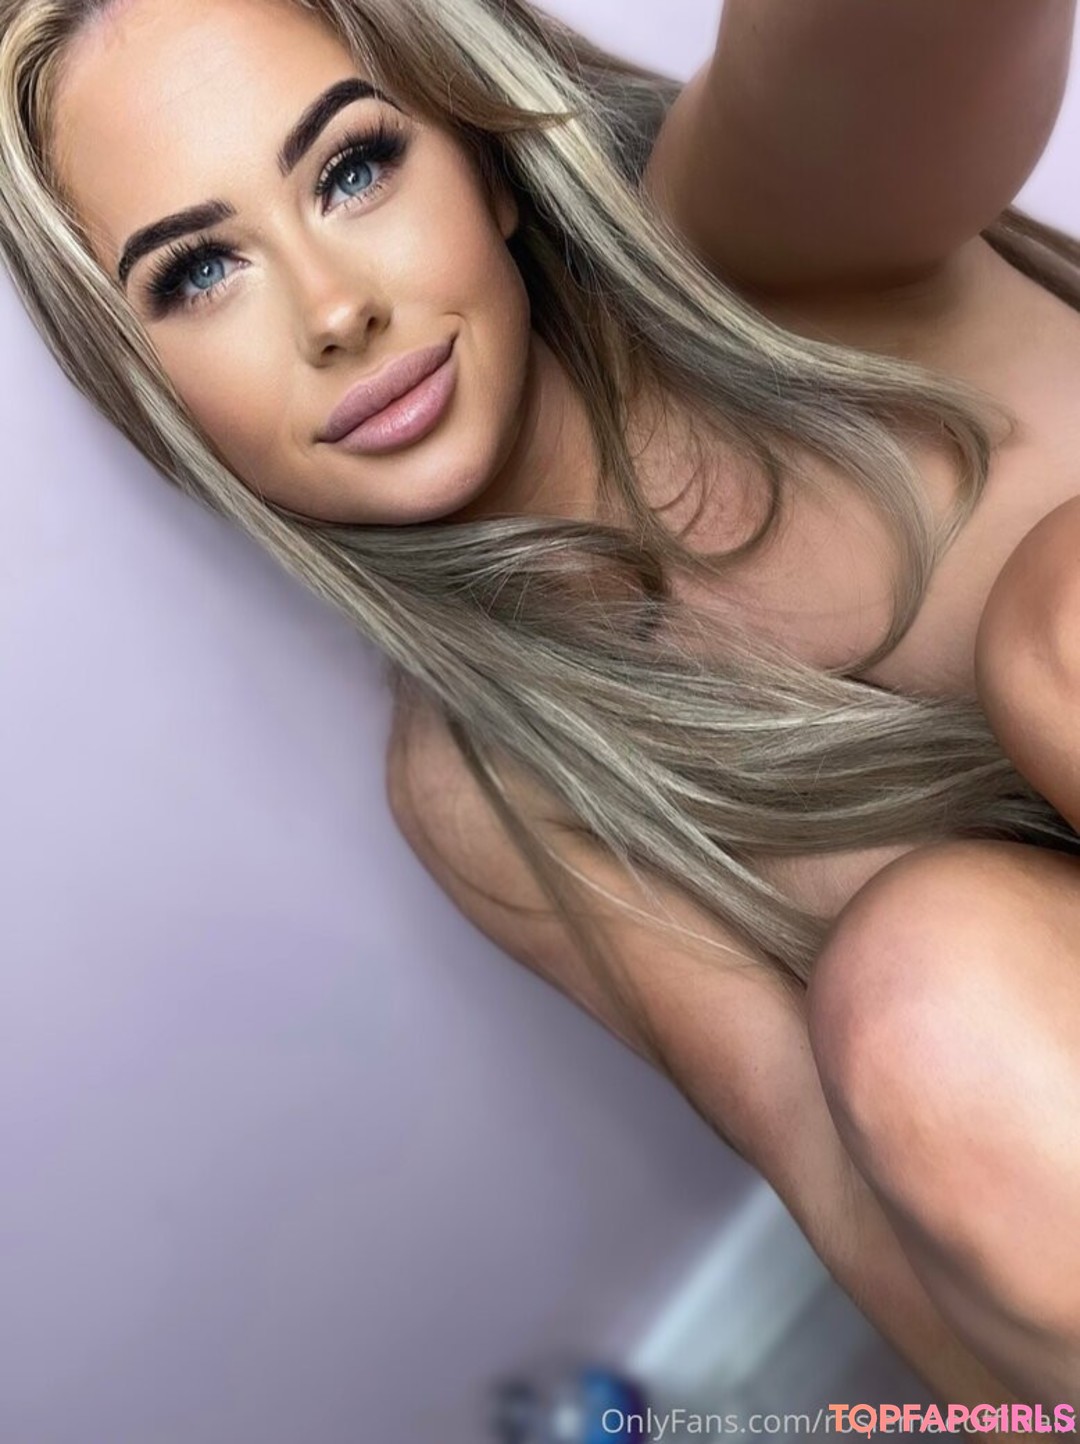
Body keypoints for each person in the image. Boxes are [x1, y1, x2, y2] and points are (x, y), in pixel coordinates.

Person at [1, 0, 1078, 1412]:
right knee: (920, 1001)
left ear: (484, 156)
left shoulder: (764, 241)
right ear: (150, 392)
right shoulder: (486, 790)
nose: (334, 309)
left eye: (353, 168)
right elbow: (868, 1206)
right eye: (200, 271)